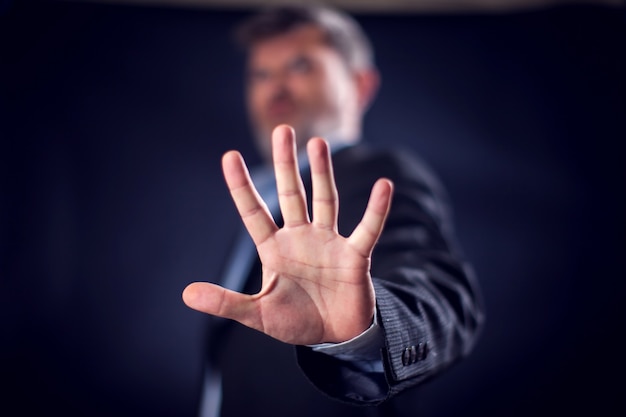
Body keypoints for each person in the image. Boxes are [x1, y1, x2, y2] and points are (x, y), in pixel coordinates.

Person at [182, 5, 484, 417]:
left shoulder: (381, 174)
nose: (276, 88)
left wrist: (362, 333)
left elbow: (446, 300)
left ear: (360, 86)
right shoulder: (262, 200)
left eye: (300, 65)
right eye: (261, 74)